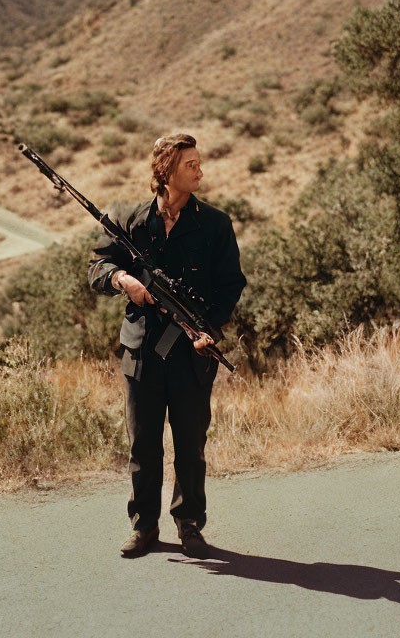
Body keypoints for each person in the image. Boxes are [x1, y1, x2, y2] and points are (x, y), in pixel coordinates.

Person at [88, 133, 246, 558]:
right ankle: (144, 525)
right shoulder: (131, 221)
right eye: (190, 164)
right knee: (143, 444)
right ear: (166, 171)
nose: (200, 171)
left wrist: (207, 329)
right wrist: (125, 281)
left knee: (191, 445)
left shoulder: (215, 223)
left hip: (192, 354)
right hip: (141, 350)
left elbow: (232, 284)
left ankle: (189, 523)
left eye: (198, 162)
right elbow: (98, 267)